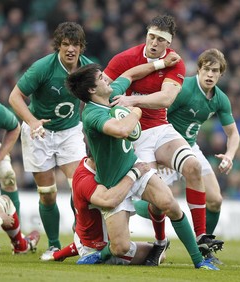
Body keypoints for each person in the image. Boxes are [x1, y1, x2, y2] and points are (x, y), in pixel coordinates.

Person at [66, 63, 218, 270]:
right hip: (113, 182)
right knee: (120, 248)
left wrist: (160, 63)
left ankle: (199, 261)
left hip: (136, 168)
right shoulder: (92, 114)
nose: (107, 79)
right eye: (102, 78)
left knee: (171, 205)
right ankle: (103, 254)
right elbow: (121, 130)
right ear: (92, 90)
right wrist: (136, 111)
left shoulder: (112, 97)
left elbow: (129, 74)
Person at [103, 14, 222, 251]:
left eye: (160, 40)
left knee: (193, 166)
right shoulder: (124, 58)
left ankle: (201, 238)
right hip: (133, 136)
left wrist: (131, 100)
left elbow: (166, 98)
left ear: (169, 43)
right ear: (146, 35)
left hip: (159, 129)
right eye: (151, 37)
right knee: (159, 201)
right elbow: (101, 89)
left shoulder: (176, 62)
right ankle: (160, 242)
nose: (154, 43)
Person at [134, 49, 240, 263]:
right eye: (207, 69)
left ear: (221, 75)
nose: (210, 74)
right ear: (199, 69)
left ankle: (203, 246)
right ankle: (139, 214)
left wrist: (229, 155)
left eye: (215, 71)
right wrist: (159, 154)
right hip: (165, 146)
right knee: (158, 204)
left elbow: (233, 133)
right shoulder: (183, 90)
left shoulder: (220, 99)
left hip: (190, 149)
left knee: (216, 200)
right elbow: (158, 117)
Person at [8, 22, 93, 253]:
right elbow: (15, 97)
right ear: (58, 46)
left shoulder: (88, 70)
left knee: (80, 188)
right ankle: (53, 245)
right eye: (65, 44)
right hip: (39, 133)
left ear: (81, 47)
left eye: (75, 45)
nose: (70, 49)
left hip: (69, 132)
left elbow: (99, 97)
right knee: (48, 194)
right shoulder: (42, 68)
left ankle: (81, 236)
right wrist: (32, 121)